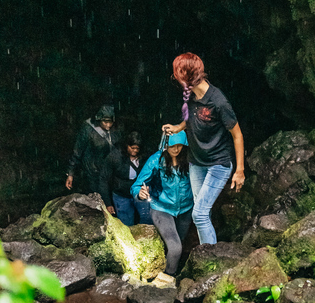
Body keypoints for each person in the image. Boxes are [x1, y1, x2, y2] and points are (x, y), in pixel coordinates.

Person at [162, 52, 245, 245]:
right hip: (196, 162)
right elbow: (191, 117)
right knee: (201, 213)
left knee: (198, 214)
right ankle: (207, 254)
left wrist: (239, 171)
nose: (175, 76)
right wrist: (178, 127)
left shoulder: (218, 102)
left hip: (218, 163)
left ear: (187, 74)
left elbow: (237, 135)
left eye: (178, 71)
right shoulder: (190, 95)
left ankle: (211, 260)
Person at [131, 130, 193, 283]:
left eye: (180, 146)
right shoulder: (156, 160)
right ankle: (168, 280)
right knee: (175, 248)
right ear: (165, 145)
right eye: (172, 146)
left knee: (178, 244)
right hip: (162, 208)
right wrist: (140, 192)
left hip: (185, 209)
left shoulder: (191, 159)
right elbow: (136, 185)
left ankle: (167, 274)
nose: (176, 150)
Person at [66, 104, 120, 215]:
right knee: (96, 202)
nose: (108, 125)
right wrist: (71, 173)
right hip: (92, 172)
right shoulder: (88, 129)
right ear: (99, 119)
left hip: (108, 171)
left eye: (110, 122)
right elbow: (77, 151)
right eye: (105, 122)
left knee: (111, 201)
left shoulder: (114, 130)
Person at [99, 131, 152, 226]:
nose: (135, 151)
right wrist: (108, 203)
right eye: (132, 148)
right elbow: (104, 179)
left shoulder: (145, 156)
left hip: (141, 194)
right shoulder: (115, 157)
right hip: (121, 195)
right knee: (126, 224)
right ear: (126, 146)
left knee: (147, 220)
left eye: (137, 148)